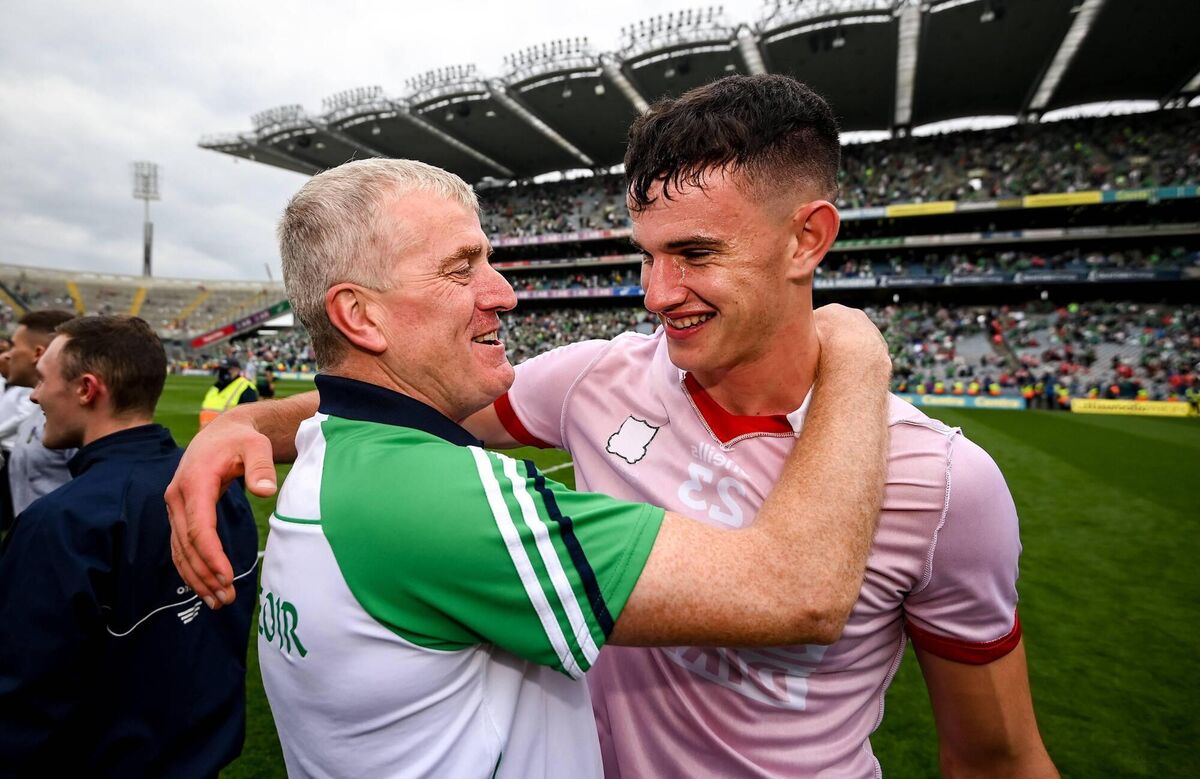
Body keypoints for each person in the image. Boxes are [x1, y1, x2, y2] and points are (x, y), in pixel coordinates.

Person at [169, 76, 1056, 776]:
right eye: (648, 255)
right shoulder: (594, 378)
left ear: (807, 239)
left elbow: (995, 756)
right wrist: (246, 427)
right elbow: (408, 405)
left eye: (697, 254)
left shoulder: (946, 483)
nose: (657, 293)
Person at [0, 315, 259, 777]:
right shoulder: (220, 487)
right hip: (202, 758)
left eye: (43, 381)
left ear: (86, 389)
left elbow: (25, 705)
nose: (35, 395)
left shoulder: (59, 522)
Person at [4, 310, 77, 517]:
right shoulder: (37, 409)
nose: (7, 354)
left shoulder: (71, 417)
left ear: (38, 353)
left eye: (14, 346)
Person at [199, 356, 257, 428]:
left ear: (237, 370)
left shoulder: (246, 388)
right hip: (206, 436)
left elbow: (250, 420)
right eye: (221, 369)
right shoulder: (215, 387)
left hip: (230, 437)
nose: (222, 372)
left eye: (226, 369)